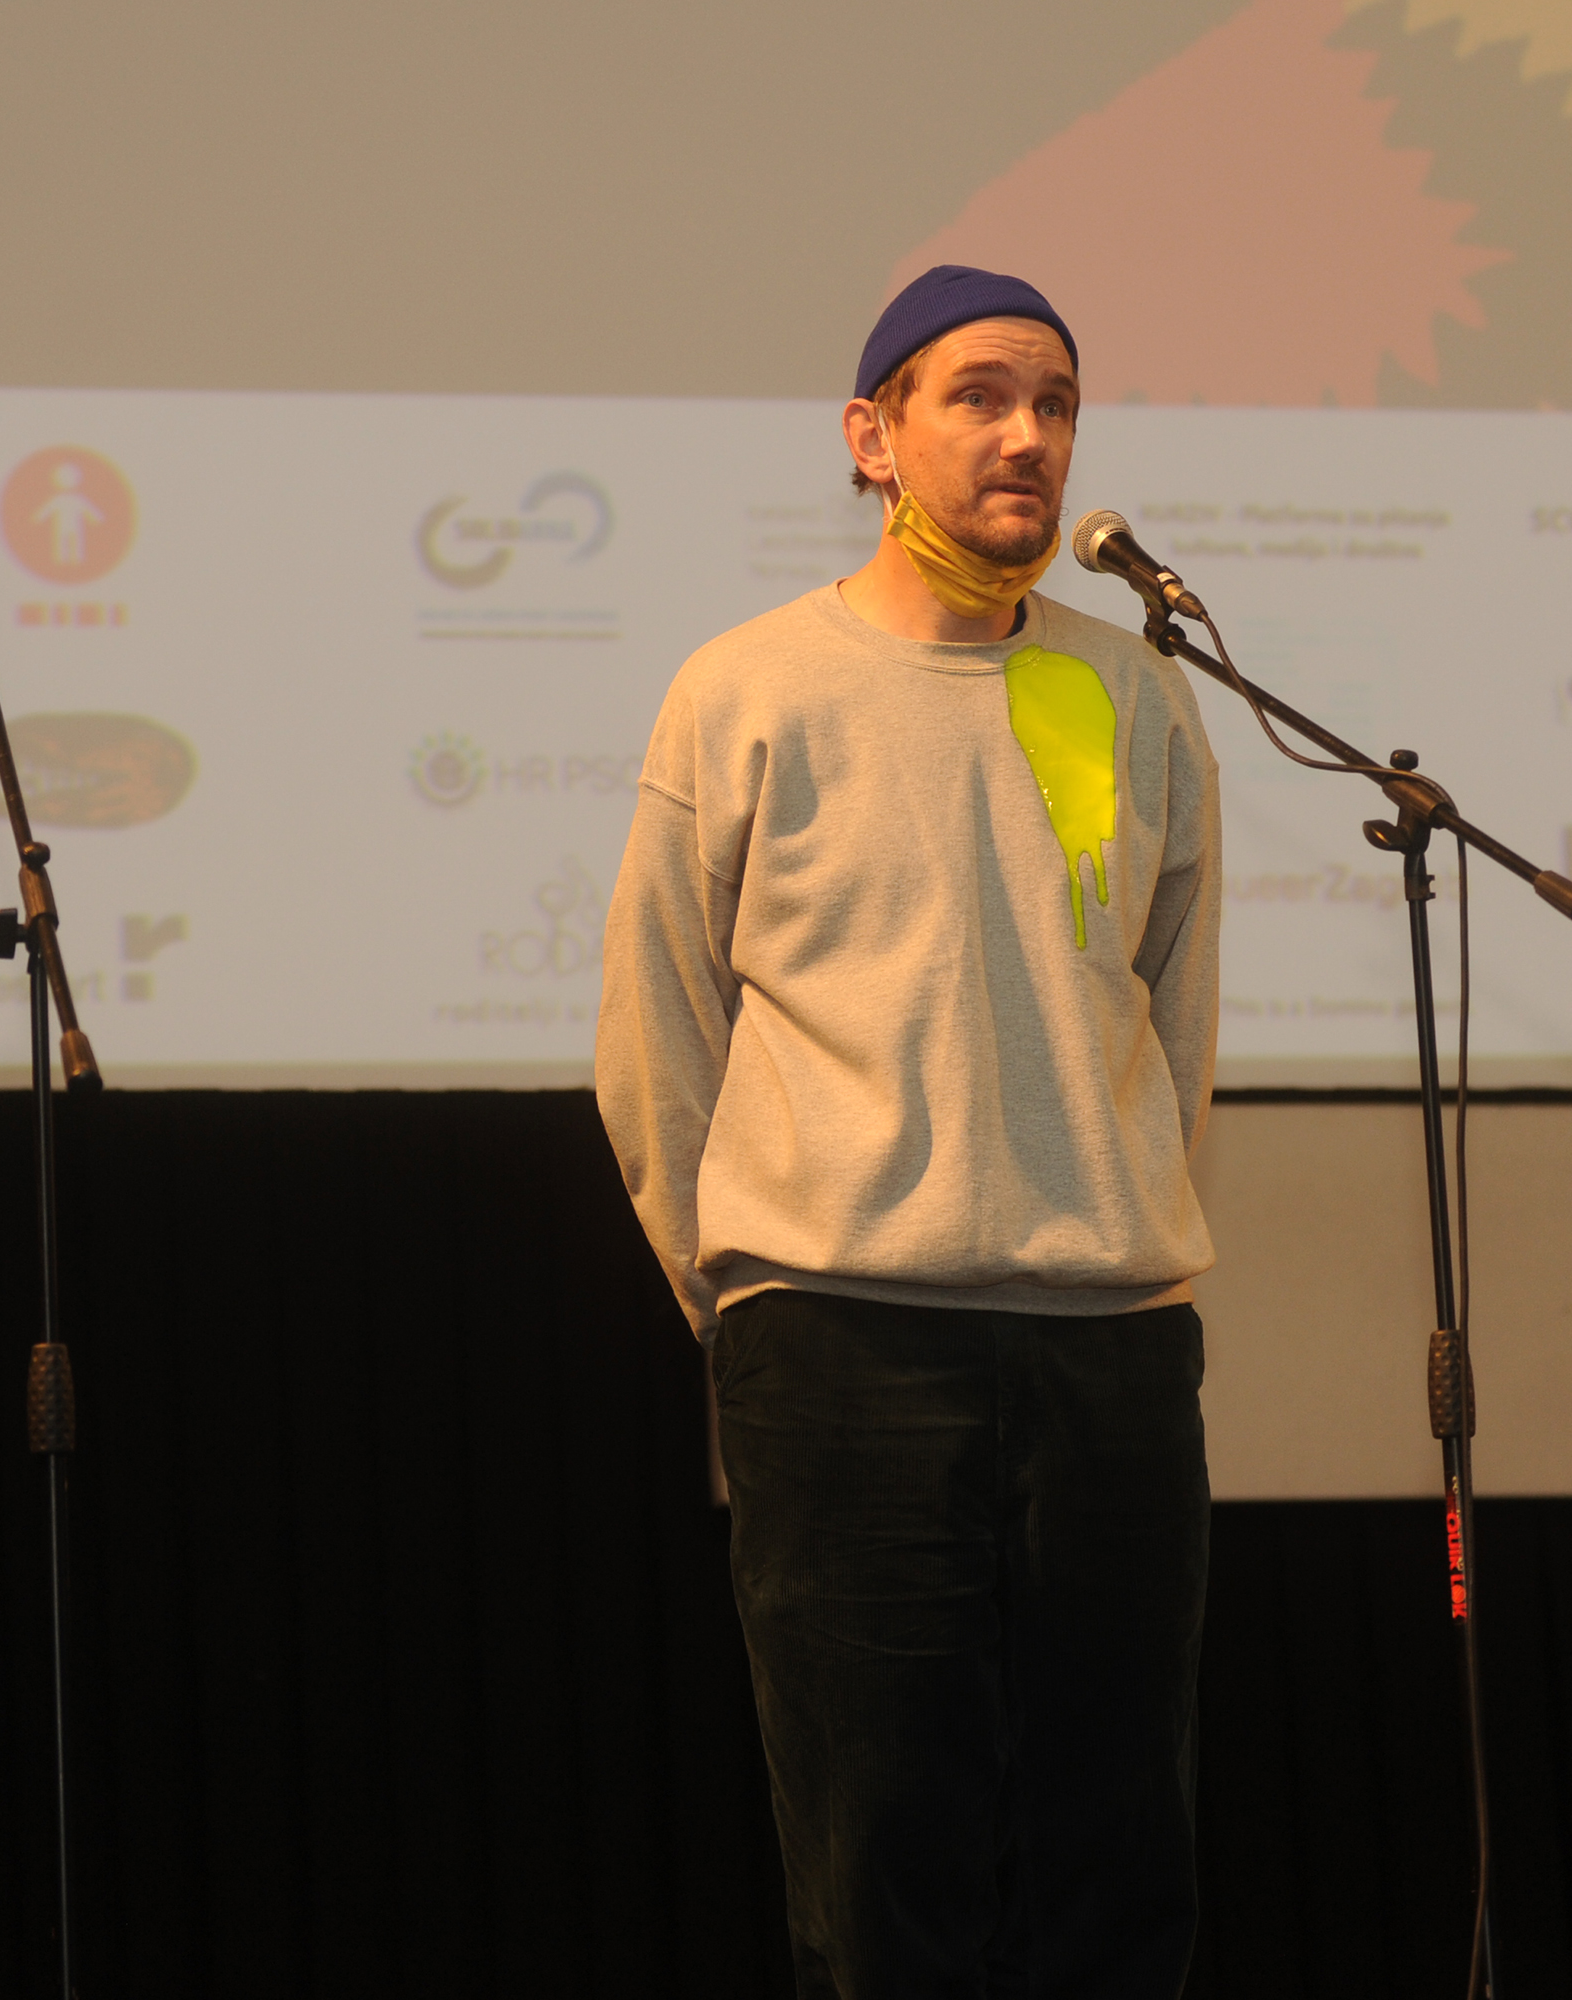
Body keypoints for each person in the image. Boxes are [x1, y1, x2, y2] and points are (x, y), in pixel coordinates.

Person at [596, 265, 1222, 1998]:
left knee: (1123, 1868)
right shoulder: (747, 689)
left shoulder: (1135, 694)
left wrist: (1119, 1229)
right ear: (872, 437)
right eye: (981, 397)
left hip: (1110, 1351)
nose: (1029, 437)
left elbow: (1173, 1024)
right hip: (839, 1342)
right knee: (885, 1877)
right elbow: (657, 1032)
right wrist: (745, 1296)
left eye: (1056, 403)